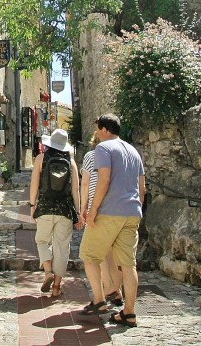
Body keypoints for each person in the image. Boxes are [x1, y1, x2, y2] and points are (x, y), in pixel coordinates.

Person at [78, 114, 145, 327]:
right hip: (132, 211)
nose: (96, 134)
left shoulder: (103, 149)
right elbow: (141, 186)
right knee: (128, 265)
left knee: (89, 255)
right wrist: (137, 208)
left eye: (98, 129)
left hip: (109, 211)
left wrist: (93, 210)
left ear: (105, 129)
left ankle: (99, 301)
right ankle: (129, 312)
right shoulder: (133, 151)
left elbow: (104, 179)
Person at [29, 128, 81, 298]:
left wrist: (32, 205)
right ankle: (57, 287)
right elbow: (75, 190)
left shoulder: (41, 159)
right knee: (62, 247)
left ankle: (47, 271)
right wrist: (78, 212)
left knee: (42, 240)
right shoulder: (71, 162)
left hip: (44, 207)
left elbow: (34, 185)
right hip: (65, 209)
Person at [80, 134, 123, 306]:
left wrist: (84, 208)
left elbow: (85, 184)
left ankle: (106, 291)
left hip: (97, 209)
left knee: (96, 254)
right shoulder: (118, 157)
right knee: (112, 254)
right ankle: (117, 291)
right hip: (117, 208)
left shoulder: (91, 156)